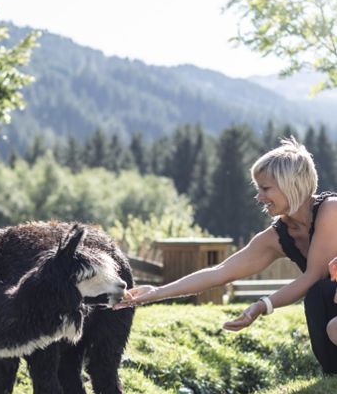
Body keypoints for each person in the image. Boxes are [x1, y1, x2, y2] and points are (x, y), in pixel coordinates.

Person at [114, 137, 337, 374]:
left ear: (291, 184)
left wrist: (262, 306)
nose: (259, 197)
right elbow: (219, 273)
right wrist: (156, 292)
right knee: (318, 297)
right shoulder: (277, 237)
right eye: (257, 188)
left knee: (318, 292)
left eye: (266, 188)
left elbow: (313, 276)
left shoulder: (330, 211)